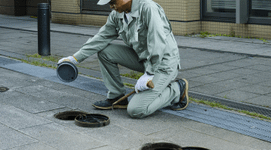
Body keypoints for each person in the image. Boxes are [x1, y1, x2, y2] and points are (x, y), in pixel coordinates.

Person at [58, 0, 189, 119]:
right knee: (105, 51)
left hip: (162, 63)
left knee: (136, 110)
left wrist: (149, 73)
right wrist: (74, 58)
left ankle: (177, 90)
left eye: (113, 2)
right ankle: (117, 96)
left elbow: (157, 42)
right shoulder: (117, 14)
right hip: (143, 59)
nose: (111, 6)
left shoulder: (148, 8)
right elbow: (101, 37)